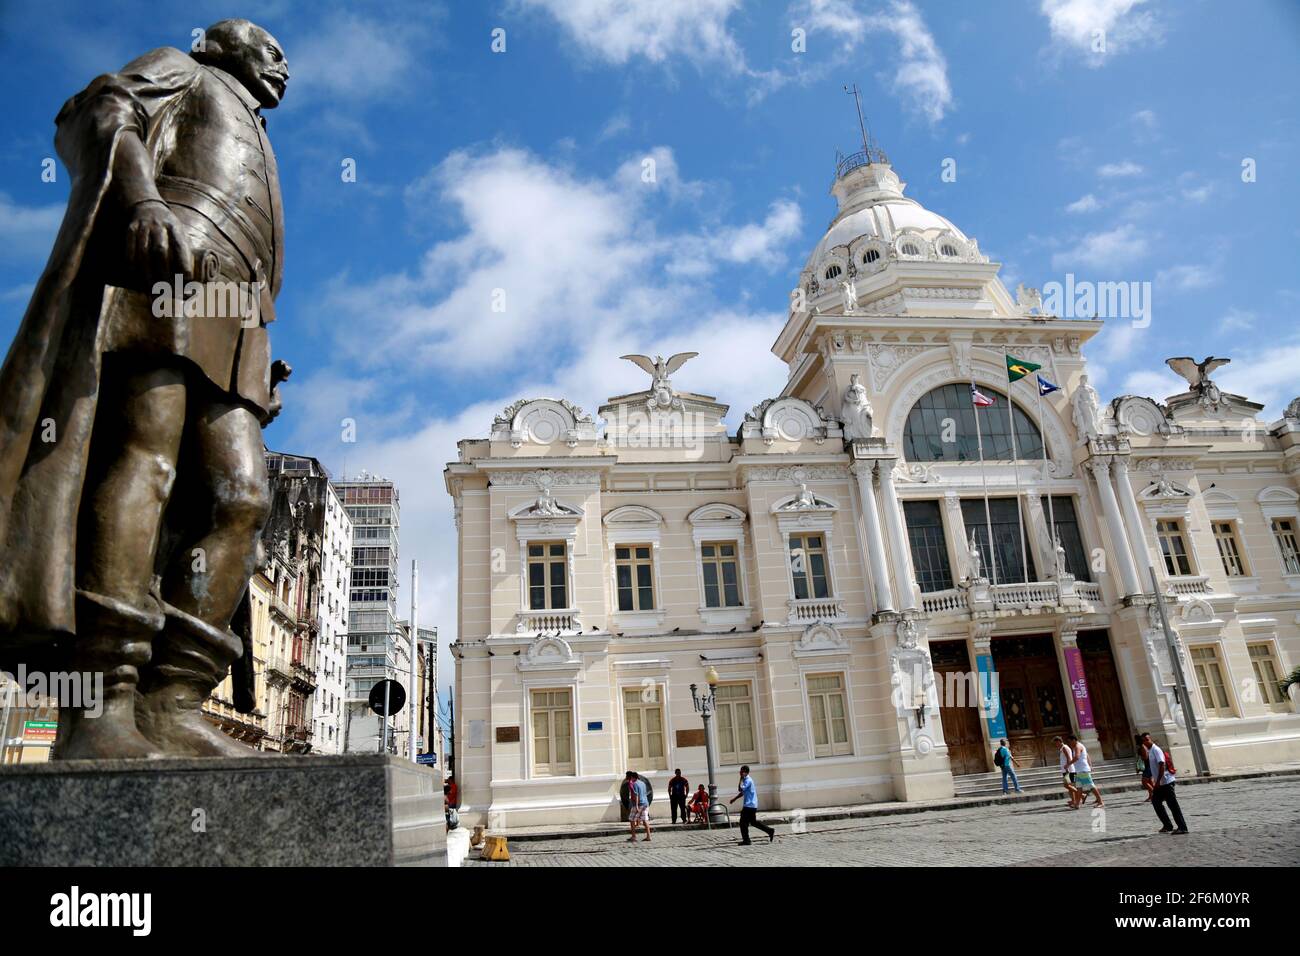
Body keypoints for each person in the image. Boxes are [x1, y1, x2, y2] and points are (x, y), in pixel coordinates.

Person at [1141, 732, 1188, 834]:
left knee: (1173, 805)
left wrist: (1157, 781)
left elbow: (1162, 765)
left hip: (1166, 782)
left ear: (1150, 739)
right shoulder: (1150, 751)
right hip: (1160, 783)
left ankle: (1182, 827)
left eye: (1147, 739)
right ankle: (1167, 825)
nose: (1146, 741)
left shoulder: (1156, 750)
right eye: (1144, 740)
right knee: (1156, 802)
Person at [728, 765, 775, 845]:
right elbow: (742, 792)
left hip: (749, 805)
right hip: (752, 805)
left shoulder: (748, 780)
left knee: (743, 823)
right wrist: (734, 799)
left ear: (745, 772)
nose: (740, 772)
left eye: (741, 771)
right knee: (753, 822)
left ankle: (746, 840)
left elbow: (740, 789)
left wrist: (741, 778)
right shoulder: (747, 780)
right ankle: (769, 830)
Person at [1067, 734, 1104, 808]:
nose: (1069, 743)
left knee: (1091, 785)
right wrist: (1090, 765)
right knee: (1079, 787)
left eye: (1070, 741)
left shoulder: (1078, 746)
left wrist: (1068, 764)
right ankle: (1077, 804)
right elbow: (1087, 755)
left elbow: (1077, 757)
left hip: (1083, 770)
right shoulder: (1077, 747)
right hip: (1079, 770)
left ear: (1074, 740)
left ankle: (1100, 802)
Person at [1054, 735, 1082, 808]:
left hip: (1068, 769)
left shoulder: (1064, 748)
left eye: (1056, 743)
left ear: (1060, 741)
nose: (1056, 745)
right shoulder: (1062, 748)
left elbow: (1069, 758)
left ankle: (1082, 795)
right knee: (1070, 786)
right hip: (1067, 769)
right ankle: (1074, 800)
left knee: (1067, 785)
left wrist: (1067, 768)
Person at [625, 771, 652, 843]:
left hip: (639, 804)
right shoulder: (642, 783)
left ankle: (634, 836)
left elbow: (636, 795)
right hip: (646, 803)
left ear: (632, 777)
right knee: (645, 820)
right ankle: (648, 836)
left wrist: (636, 806)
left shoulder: (634, 784)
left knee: (631, 819)